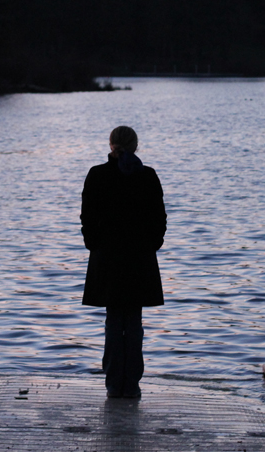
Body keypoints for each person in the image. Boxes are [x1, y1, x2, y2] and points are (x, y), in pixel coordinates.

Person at [80, 126, 166, 398]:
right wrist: (152, 245)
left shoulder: (97, 174)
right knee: (134, 320)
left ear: (111, 144)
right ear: (136, 145)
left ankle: (114, 383)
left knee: (114, 320)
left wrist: (94, 244)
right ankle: (132, 383)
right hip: (139, 259)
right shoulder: (148, 176)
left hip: (107, 258)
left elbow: (87, 216)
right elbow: (159, 218)